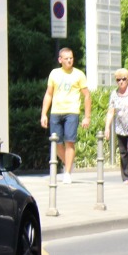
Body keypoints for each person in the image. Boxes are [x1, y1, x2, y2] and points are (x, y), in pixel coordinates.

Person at [39, 47, 92, 183]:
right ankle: (68, 162)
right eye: (66, 58)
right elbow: (49, 94)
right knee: (56, 143)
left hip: (72, 111)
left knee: (69, 141)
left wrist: (87, 116)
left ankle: (67, 172)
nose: (69, 60)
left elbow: (87, 96)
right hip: (56, 111)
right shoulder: (54, 74)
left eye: (71, 58)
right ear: (60, 60)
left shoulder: (79, 74)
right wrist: (44, 114)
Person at [104, 68, 128, 184]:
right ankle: (125, 176)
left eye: (123, 79)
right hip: (120, 127)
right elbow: (111, 112)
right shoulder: (114, 94)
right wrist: (107, 128)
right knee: (123, 152)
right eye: (118, 80)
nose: (121, 82)